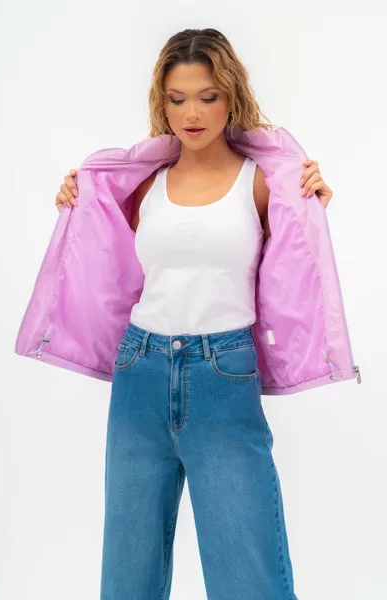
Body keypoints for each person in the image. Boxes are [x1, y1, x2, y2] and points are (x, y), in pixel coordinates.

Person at [54, 29, 333, 600]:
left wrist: (315, 205)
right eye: (177, 99)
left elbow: (297, 263)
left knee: (247, 576)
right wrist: (75, 202)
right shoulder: (142, 185)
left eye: (208, 96)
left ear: (231, 95)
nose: (192, 113)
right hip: (140, 373)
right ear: (162, 103)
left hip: (222, 377)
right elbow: (102, 254)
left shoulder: (265, 184)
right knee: (127, 576)